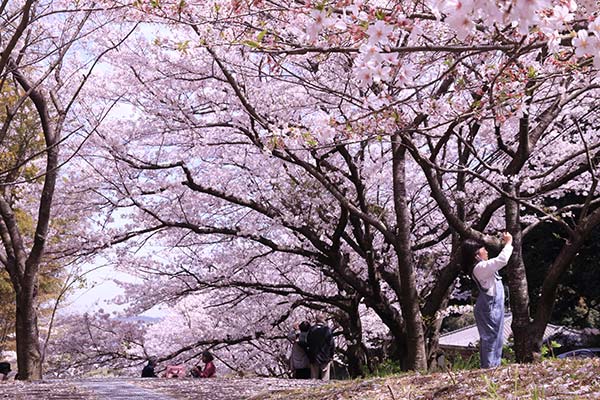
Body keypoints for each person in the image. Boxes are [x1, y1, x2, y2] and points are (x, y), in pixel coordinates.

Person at [462, 232, 513, 368]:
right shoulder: (479, 268)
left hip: (493, 307)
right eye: (483, 249)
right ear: (476, 255)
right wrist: (508, 243)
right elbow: (502, 260)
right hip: (489, 308)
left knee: (497, 338)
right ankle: (489, 369)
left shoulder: (483, 266)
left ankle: (494, 367)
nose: (486, 251)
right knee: (490, 340)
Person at [306, 315, 335, 380]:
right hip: (325, 356)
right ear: (323, 320)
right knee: (325, 379)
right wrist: (331, 355)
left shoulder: (311, 330)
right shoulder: (327, 330)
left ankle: (312, 389)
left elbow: (308, 343)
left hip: (313, 356)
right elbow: (331, 344)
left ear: (316, 320)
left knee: (314, 378)